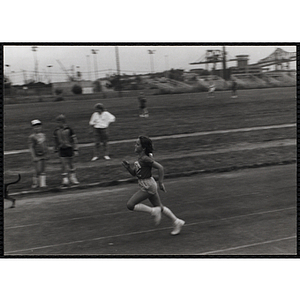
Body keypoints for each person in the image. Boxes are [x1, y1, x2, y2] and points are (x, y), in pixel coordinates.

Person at [122, 136, 185, 235]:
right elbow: (135, 173)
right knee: (160, 207)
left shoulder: (145, 158)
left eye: (137, 144)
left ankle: (153, 211)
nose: (135, 145)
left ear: (143, 148)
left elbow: (160, 168)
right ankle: (177, 222)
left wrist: (161, 183)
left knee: (130, 205)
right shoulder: (140, 158)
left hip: (148, 186)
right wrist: (128, 168)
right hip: (147, 184)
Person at [53, 114, 80, 186]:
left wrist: (75, 149)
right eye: (57, 122)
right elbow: (56, 141)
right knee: (63, 164)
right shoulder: (56, 131)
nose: (58, 124)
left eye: (59, 122)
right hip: (62, 149)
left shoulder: (69, 129)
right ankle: (65, 178)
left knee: (71, 163)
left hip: (69, 148)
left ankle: (73, 177)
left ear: (63, 122)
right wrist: (55, 149)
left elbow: (74, 140)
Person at [28, 119, 49, 188]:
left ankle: (42, 183)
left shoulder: (43, 135)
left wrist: (46, 153)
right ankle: (35, 183)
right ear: (33, 128)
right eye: (35, 127)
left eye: (39, 126)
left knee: (43, 169)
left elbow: (45, 145)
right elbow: (31, 147)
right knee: (38, 170)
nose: (37, 128)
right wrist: (33, 156)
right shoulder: (32, 137)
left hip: (43, 154)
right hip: (37, 155)